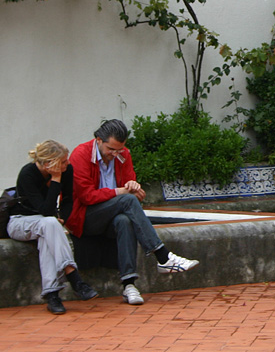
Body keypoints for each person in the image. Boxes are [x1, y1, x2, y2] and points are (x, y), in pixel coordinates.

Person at [63, 119, 199, 306]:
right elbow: (87, 196)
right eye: (111, 149)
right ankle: (162, 256)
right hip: (84, 216)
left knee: (124, 221)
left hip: (111, 214)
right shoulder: (81, 154)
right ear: (99, 140)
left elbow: (130, 186)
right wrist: (123, 192)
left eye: (119, 149)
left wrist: (134, 188)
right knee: (127, 201)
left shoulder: (123, 154)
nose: (115, 154)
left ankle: (129, 285)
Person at [8, 140, 98, 314]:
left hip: (46, 224)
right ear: (50, 164)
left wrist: (62, 219)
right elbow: (46, 210)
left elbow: (67, 201)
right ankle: (74, 277)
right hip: (20, 222)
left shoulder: (67, 171)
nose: (68, 164)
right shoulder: (28, 174)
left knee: (48, 231)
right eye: (63, 161)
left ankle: (52, 295)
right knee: (49, 223)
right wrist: (56, 179)